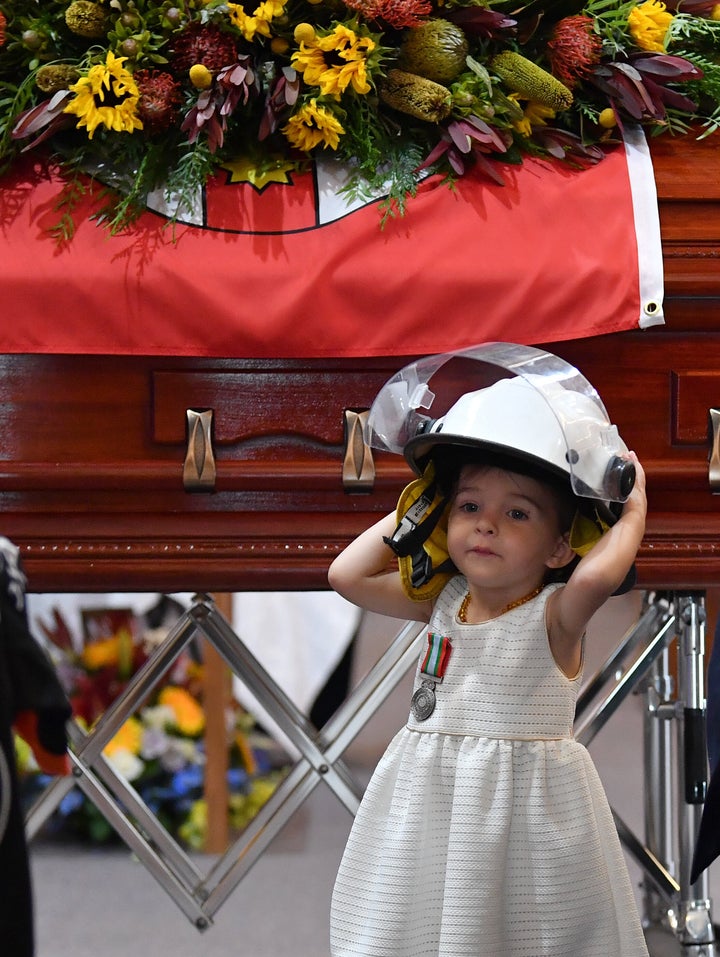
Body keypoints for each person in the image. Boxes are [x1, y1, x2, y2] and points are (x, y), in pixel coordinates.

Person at [328, 347, 650, 957]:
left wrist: (632, 514)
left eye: (517, 513)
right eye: (469, 507)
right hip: (436, 798)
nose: (485, 525)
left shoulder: (555, 617)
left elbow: (597, 578)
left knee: (524, 930)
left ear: (559, 547)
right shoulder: (443, 599)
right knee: (422, 922)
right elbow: (346, 575)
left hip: (523, 815)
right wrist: (424, 500)